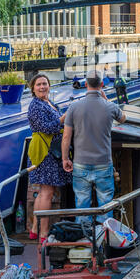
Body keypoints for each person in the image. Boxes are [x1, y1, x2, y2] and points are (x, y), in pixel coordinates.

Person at [62, 70, 126, 223]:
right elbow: (123, 118)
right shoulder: (110, 107)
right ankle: (105, 239)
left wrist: (65, 159)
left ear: (85, 85)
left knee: (82, 205)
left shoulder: (74, 107)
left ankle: (84, 239)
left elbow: (66, 137)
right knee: (105, 206)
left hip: (80, 164)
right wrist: (107, 100)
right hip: (103, 164)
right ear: (102, 85)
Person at [27, 74, 71, 241]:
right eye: (38, 84)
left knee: (43, 191)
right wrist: (62, 119)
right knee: (47, 191)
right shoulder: (35, 106)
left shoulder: (49, 102)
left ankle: (35, 228)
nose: (42, 87)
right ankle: (43, 233)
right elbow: (44, 128)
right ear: (33, 88)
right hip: (45, 152)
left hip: (51, 151)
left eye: (45, 84)